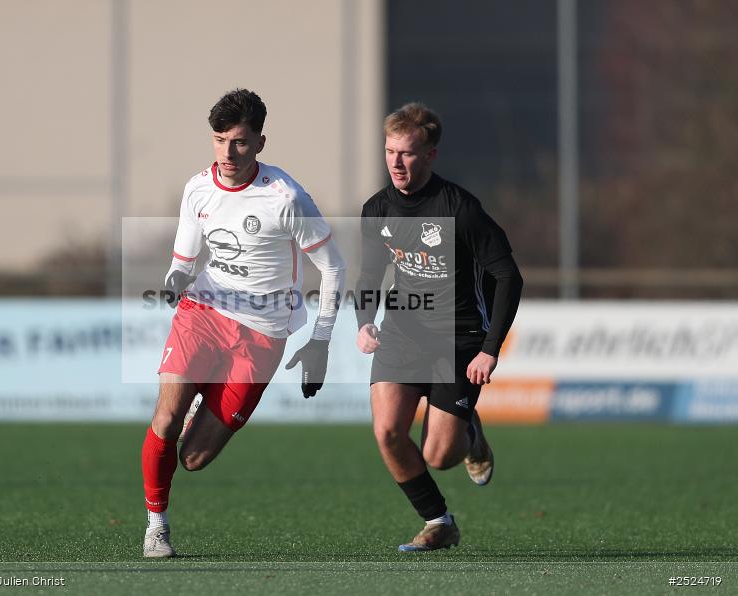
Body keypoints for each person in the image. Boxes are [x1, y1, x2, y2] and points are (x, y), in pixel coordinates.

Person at [142, 89, 346, 558]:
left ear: (259, 142)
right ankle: (157, 525)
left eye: (239, 142)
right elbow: (184, 259)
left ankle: (199, 421)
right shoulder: (197, 189)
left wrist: (320, 341)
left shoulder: (286, 198)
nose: (228, 153)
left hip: (263, 335)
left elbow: (333, 268)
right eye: (219, 141)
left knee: (193, 458)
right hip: (203, 313)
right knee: (167, 417)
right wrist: (175, 279)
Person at [355, 102, 522, 552]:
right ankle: (438, 521)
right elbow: (370, 276)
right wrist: (365, 322)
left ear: (430, 155)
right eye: (390, 151)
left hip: (460, 338)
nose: (396, 161)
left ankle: (470, 433)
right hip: (404, 331)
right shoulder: (377, 209)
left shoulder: (461, 209)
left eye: (407, 153)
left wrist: (490, 349)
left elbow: (509, 276)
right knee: (388, 431)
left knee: (438, 456)